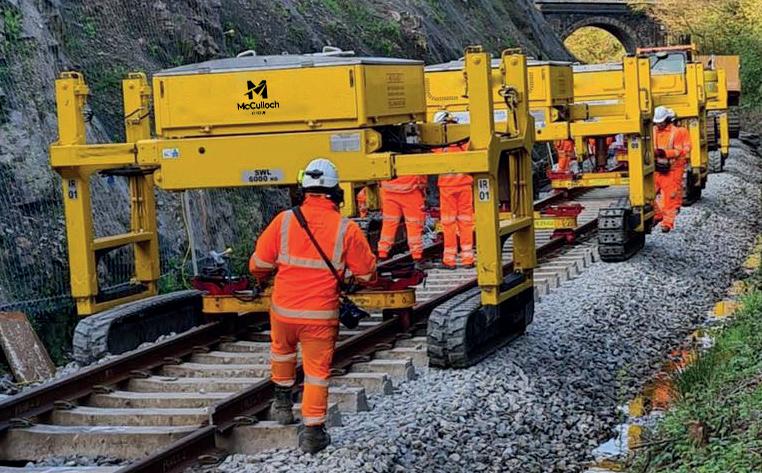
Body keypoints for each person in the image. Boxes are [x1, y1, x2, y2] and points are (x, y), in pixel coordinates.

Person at [249, 158, 377, 454]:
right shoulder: (346, 228)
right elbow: (368, 275)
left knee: (282, 352)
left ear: (304, 189)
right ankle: (312, 434)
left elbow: (258, 264)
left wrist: (265, 274)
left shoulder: (284, 220)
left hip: (283, 311)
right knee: (316, 373)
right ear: (336, 192)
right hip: (320, 315)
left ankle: (282, 405)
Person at [652, 106, 692, 232]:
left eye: (661, 122)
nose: (659, 125)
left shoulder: (677, 132)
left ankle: (667, 223)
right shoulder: (653, 131)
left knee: (670, 198)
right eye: (657, 122)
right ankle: (658, 215)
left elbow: (680, 150)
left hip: (671, 169)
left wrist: (665, 153)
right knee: (648, 195)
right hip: (656, 168)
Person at [436, 143, 475, 269]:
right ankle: (468, 259)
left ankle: (449, 260)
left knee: (448, 223)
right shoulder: (465, 143)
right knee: (466, 222)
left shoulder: (440, 145)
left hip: (447, 188)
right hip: (464, 186)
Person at [377, 174, 428, 266]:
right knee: (414, 225)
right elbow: (420, 171)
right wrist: (423, 183)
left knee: (389, 224)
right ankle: (417, 256)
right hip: (411, 191)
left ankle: (382, 254)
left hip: (389, 191)